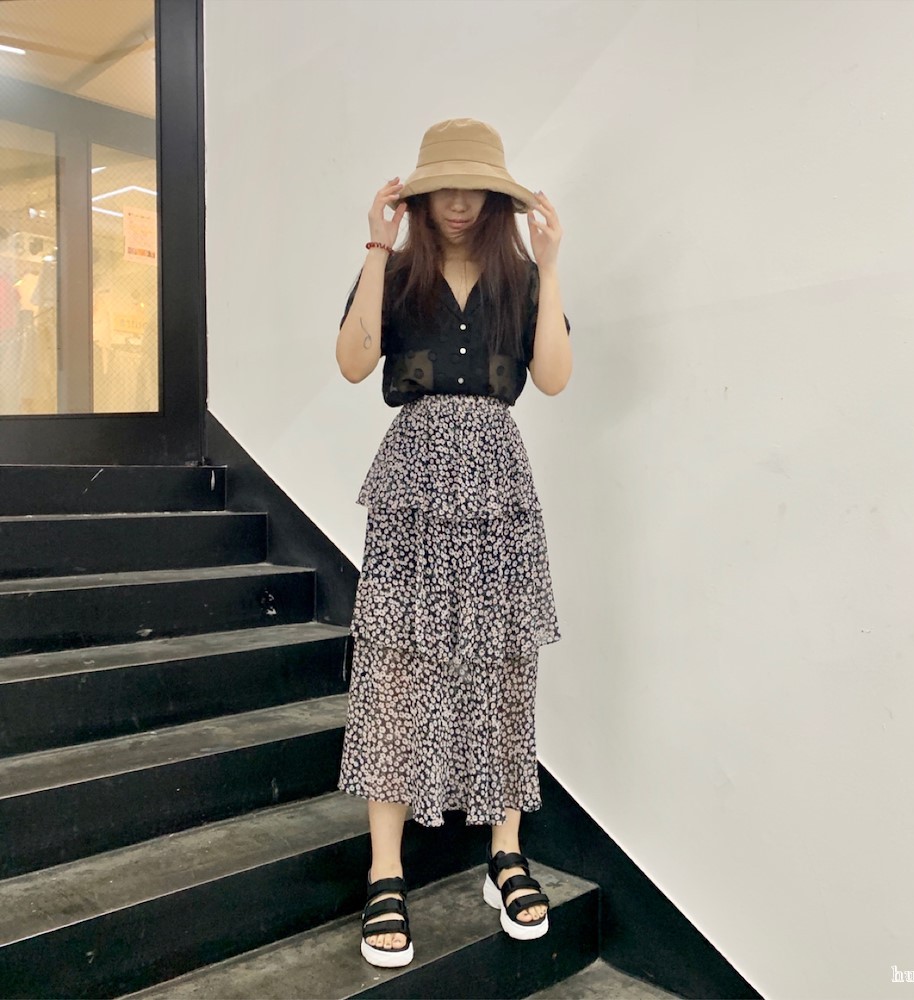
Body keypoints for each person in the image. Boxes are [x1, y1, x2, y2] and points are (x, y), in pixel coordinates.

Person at [335, 118, 572, 969]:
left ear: (497, 198)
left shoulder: (519, 278)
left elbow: (553, 378)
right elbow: (353, 363)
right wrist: (375, 244)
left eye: (476, 187)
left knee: (503, 660)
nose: (462, 202)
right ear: (423, 194)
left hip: (499, 479)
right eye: (446, 187)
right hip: (414, 478)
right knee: (396, 664)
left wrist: (551, 265)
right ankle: (385, 869)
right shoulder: (397, 272)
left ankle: (505, 852)